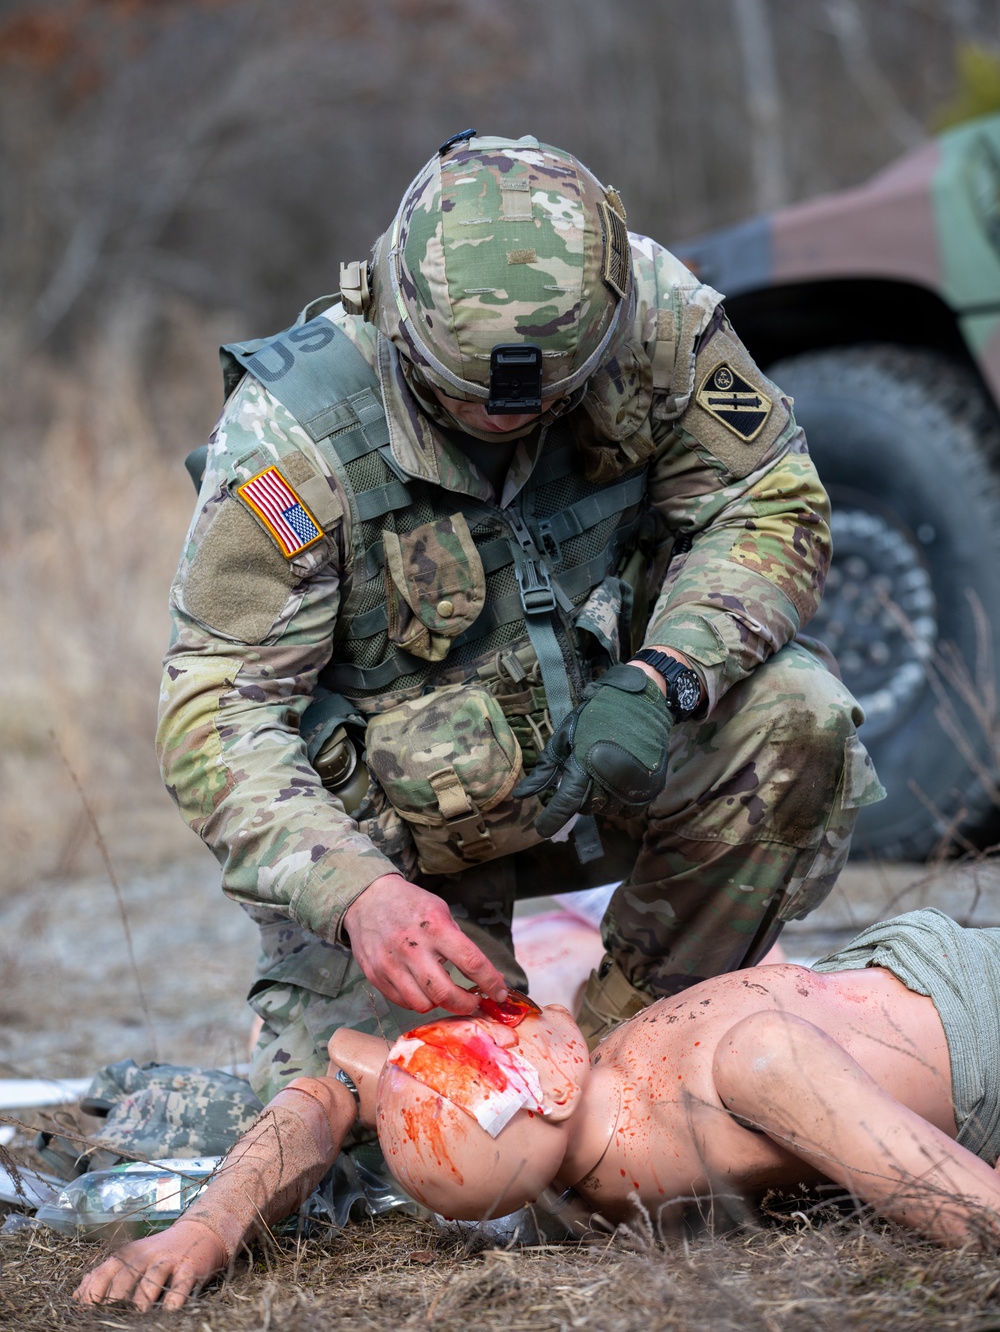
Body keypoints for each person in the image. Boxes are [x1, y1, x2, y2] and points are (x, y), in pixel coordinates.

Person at [157, 129, 882, 1105]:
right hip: (405, 841)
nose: (502, 425)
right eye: (468, 402)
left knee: (799, 714)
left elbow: (768, 503)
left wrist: (669, 671)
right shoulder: (292, 439)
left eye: (541, 402)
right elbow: (215, 712)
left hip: (614, 747)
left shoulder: (656, 321)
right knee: (391, 1160)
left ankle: (636, 1036)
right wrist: (357, 896)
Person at [76, 908, 1000, 1311]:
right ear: (552, 1070)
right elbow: (968, 1205)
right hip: (971, 1007)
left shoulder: (555, 1168)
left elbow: (327, 1090)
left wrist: (208, 1225)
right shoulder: (750, 1064)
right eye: (489, 1030)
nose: (494, 1010)